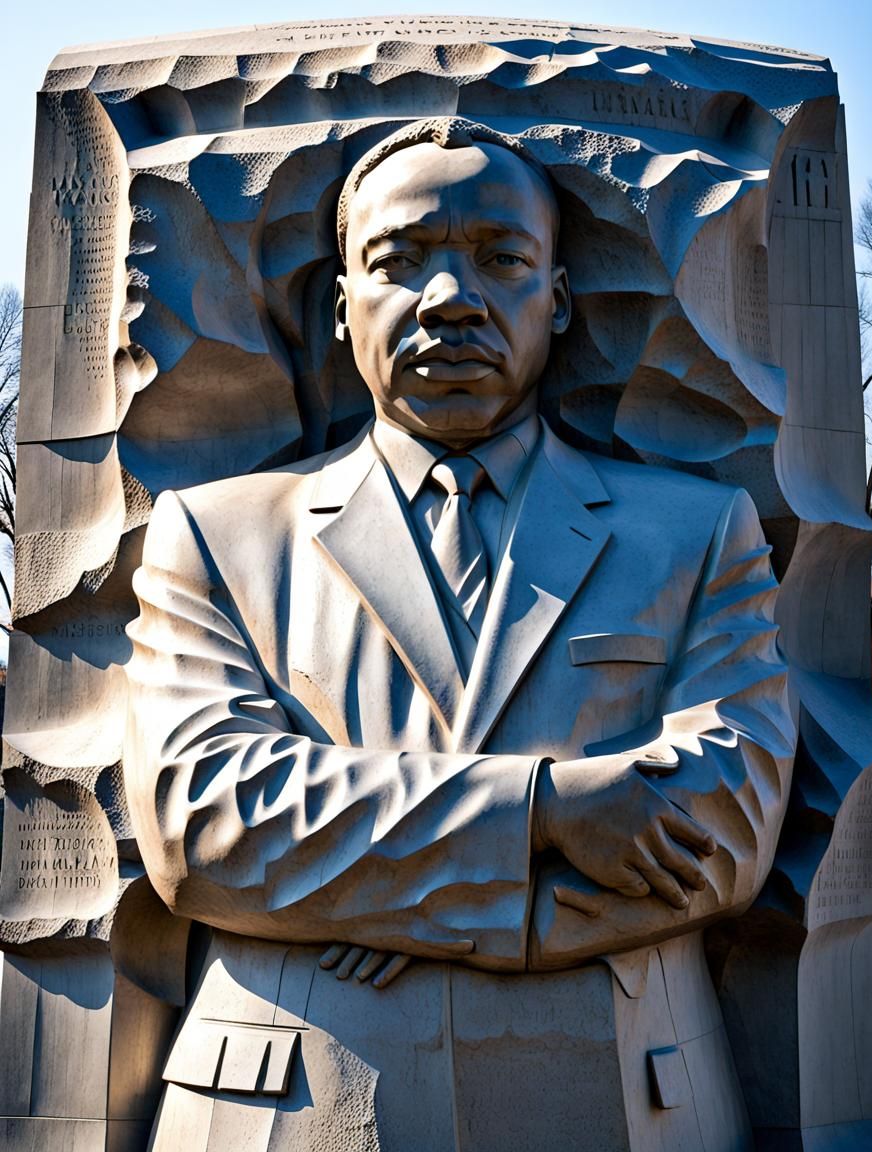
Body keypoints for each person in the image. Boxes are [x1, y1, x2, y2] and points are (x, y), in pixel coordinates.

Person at [125, 117, 794, 1151]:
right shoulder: (215, 537)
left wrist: (350, 894)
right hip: (286, 1107)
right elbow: (205, 826)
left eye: (500, 259)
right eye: (398, 262)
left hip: (624, 1102)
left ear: (558, 300)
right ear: (340, 309)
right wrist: (542, 813)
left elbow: (723, 832)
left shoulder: (697, 534)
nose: (450, 300)